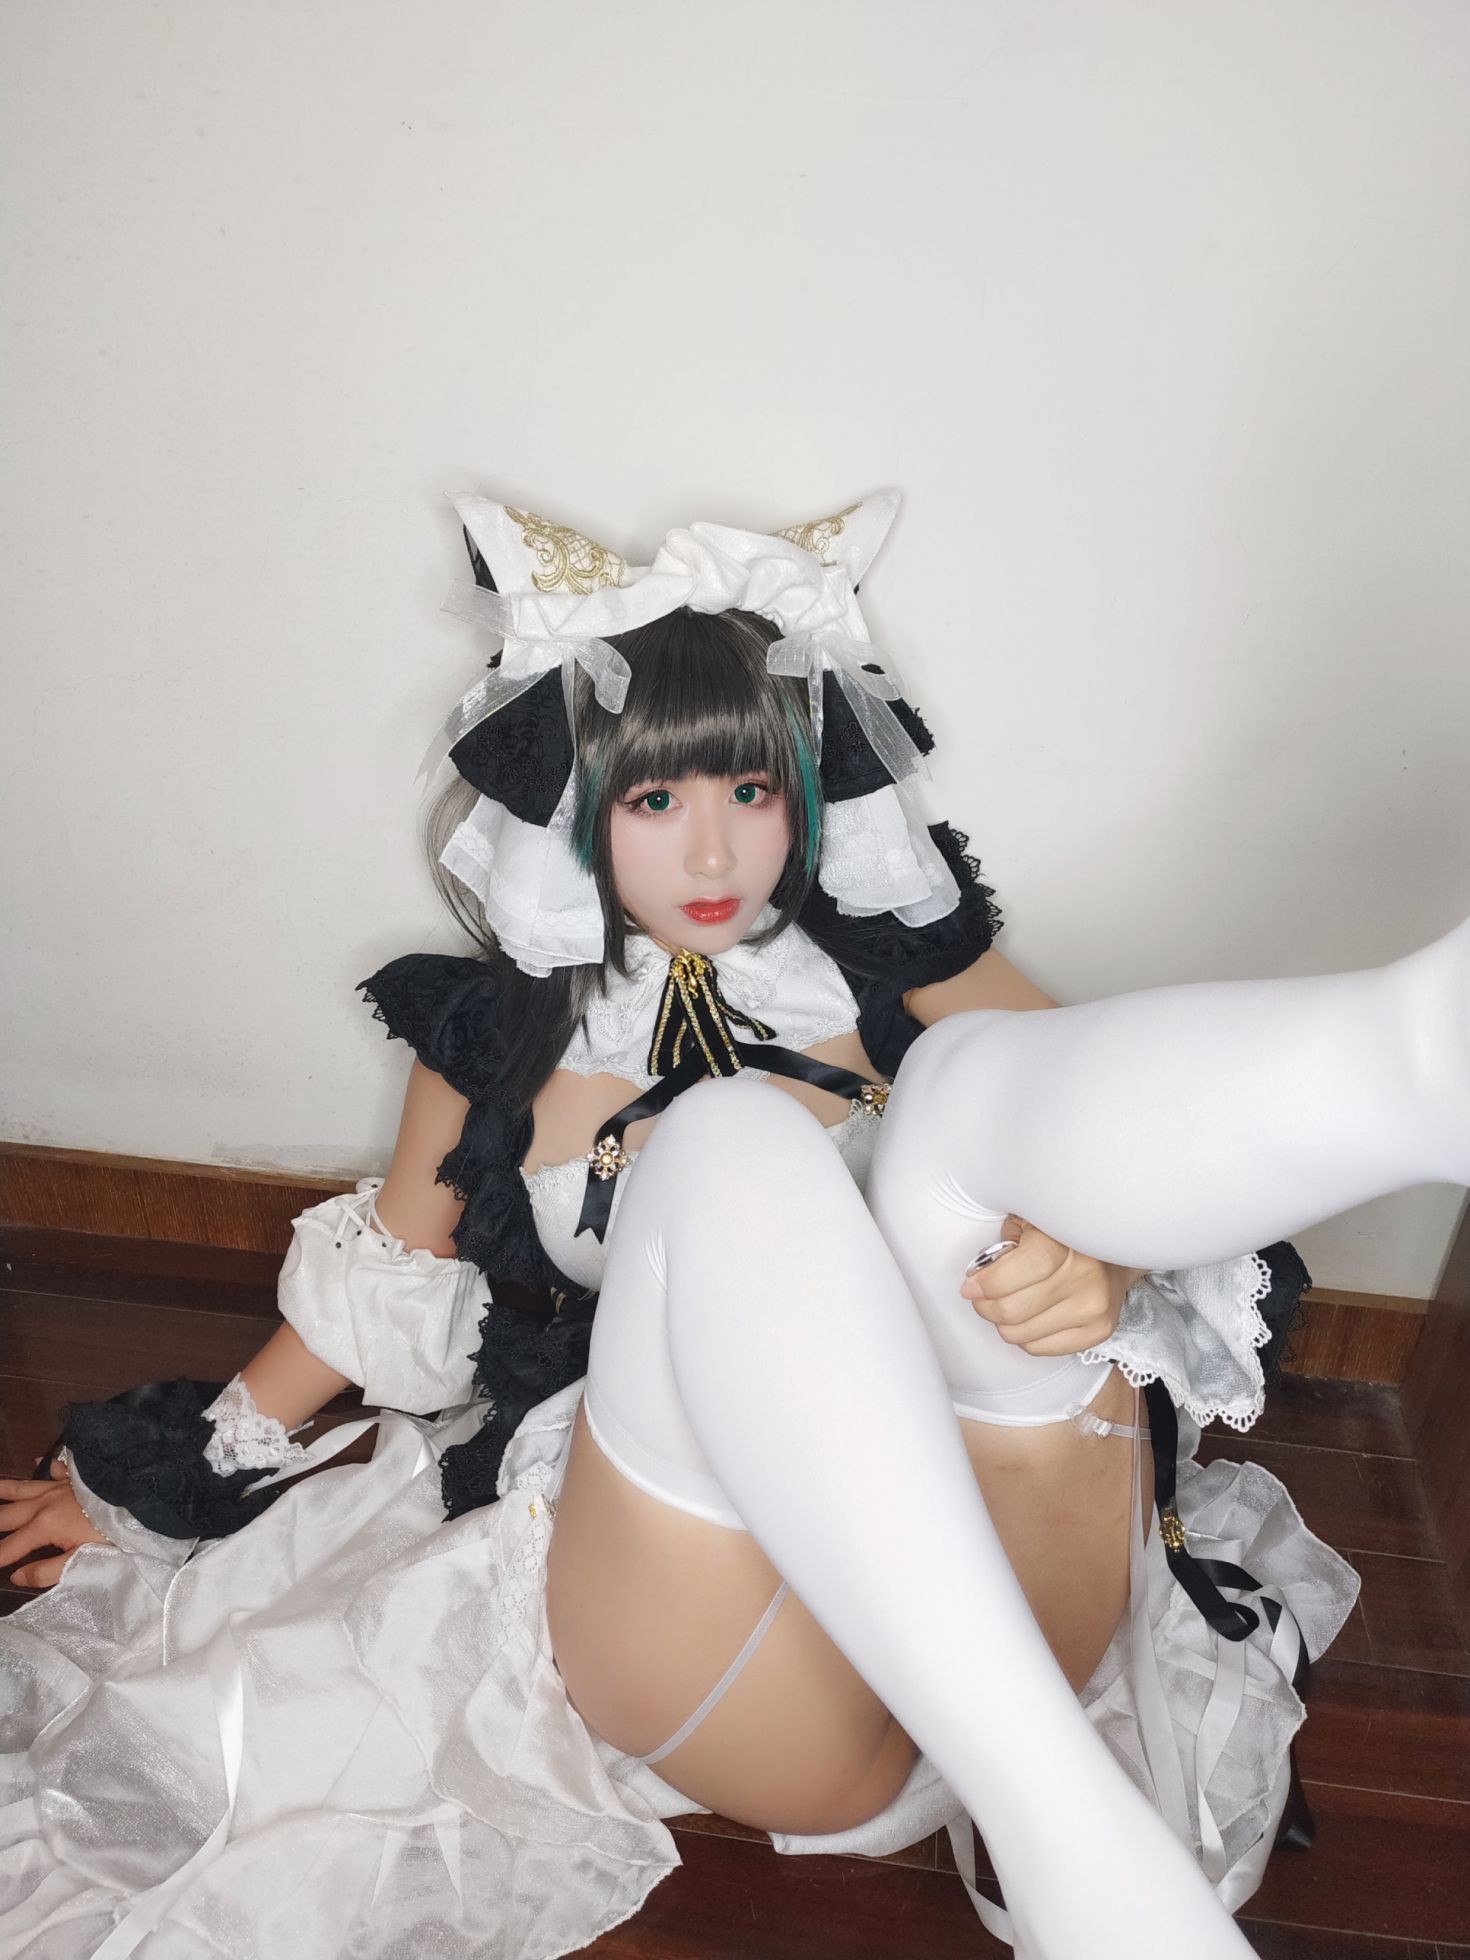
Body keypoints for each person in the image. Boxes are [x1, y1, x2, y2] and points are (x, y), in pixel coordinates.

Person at [0, 488, 1459, 1959]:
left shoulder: (892, 969)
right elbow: (383, 1284)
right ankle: (1064, 1827)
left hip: (1015, 1547)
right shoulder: (497, 1036)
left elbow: (1133, 1125)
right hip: (742, 1649)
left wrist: (1112, 1258)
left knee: (967, 1081)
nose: (713, 858)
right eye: (655, 802)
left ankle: (1415, 1059)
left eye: (750, 793)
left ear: (806, 794)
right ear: (573, 811)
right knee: (733, 1137)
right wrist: (154, 1487)